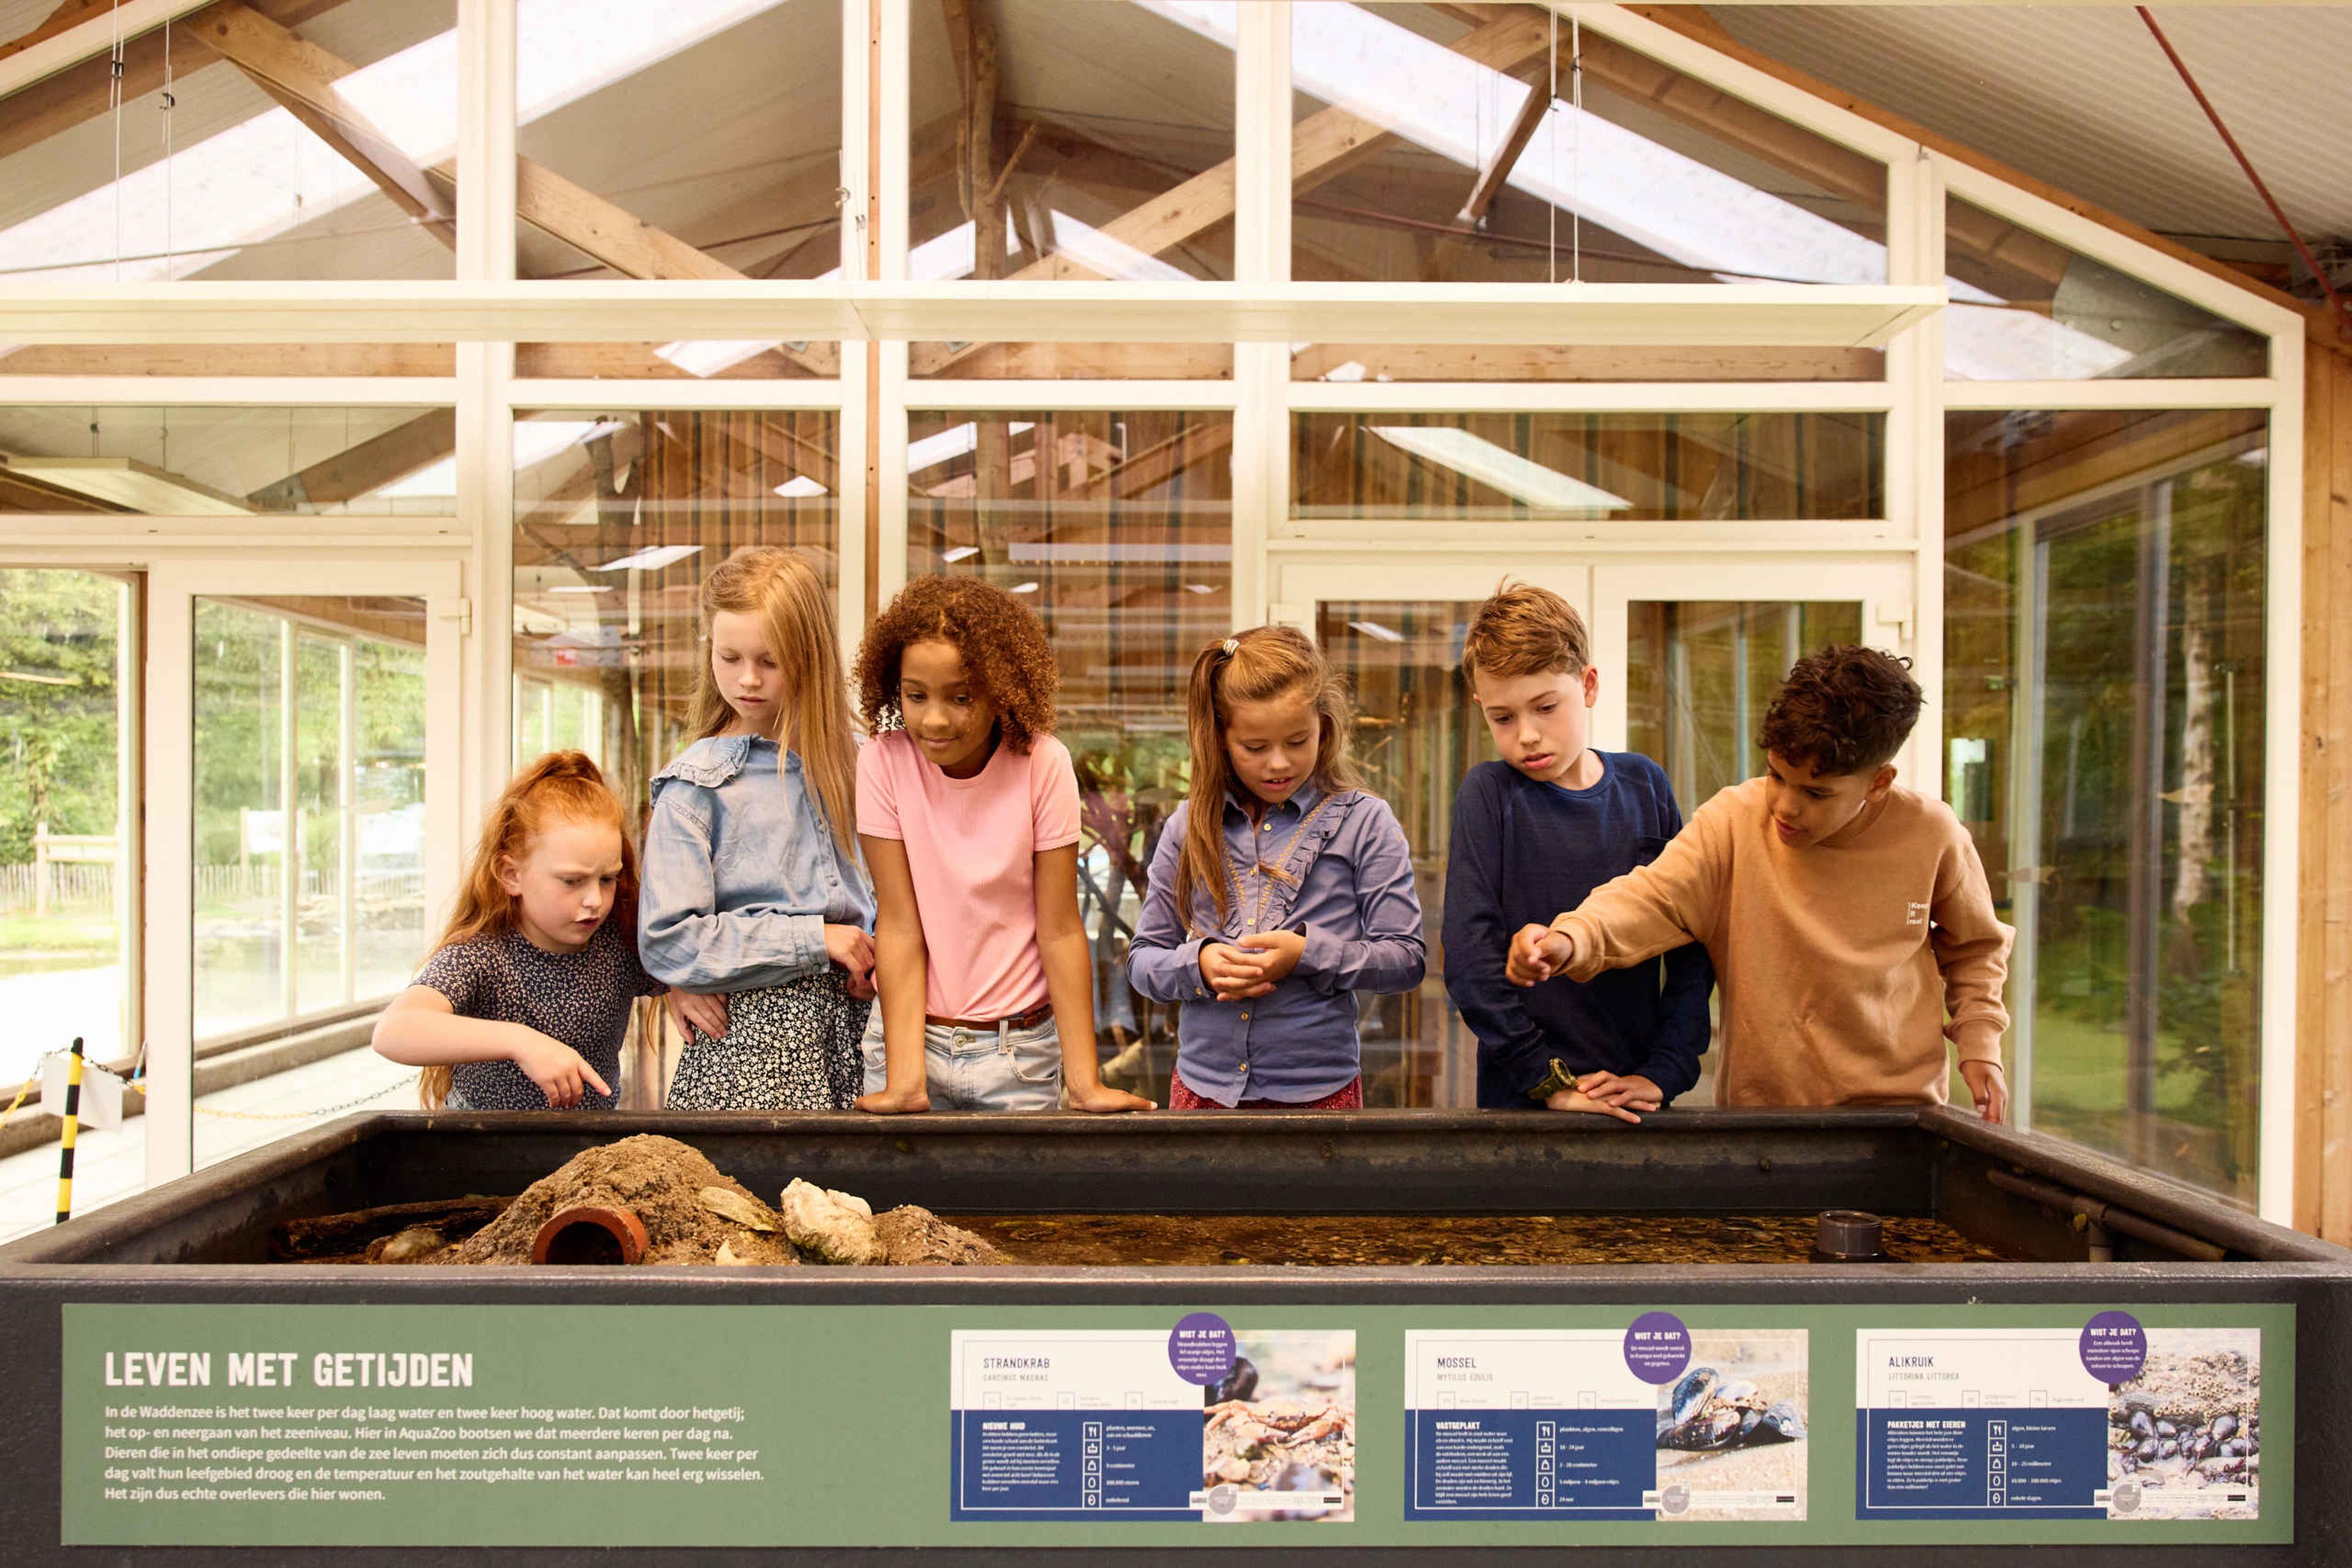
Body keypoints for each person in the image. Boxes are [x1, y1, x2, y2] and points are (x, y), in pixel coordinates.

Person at [1507, 645, 2014, 1120]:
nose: (1785, 807)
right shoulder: (1733, 821)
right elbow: (1651, 897)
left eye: (1816, 793)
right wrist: (1571, 938)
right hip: (1763, 1119)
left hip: (1898, 1117)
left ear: (1878, 782)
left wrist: (1980, 1044)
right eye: (1776, 776)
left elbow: (1974, 949)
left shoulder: (1933, 834)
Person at [850, 575, 1153, 1114]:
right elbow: (898, 923)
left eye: (961, 697)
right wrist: (905, 1081)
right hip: (906, 1041)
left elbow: (1059, 929)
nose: (935, 719)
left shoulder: (1042, 763)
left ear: (1002, 690)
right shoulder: (882, 762)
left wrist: (1085, 1084)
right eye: (915, 696)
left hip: (1020, 1053)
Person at [1442, 583, 1713, 1121]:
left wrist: (1665, 1072)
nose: (1527, 736)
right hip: (1522, 1098)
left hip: (1634, 1093)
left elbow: (1691, 941)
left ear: (1588, 685)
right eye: (1502, 718)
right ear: (1481, 708)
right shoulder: (1489, 794)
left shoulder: (1646, 785)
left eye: (1546, 708)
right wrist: (1547, 1081)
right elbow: (1471, 961)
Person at [1126, 626, 1426, 1109]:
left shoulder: (1366, 822)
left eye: (1297, 740)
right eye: (1255, 747)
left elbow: (1407, 959)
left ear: (1324, 726)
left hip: (1319, 1095)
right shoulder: (1187, 826)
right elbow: (1143, 962)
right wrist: (1198, 964)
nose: (1279, 763)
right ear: (1221, 738)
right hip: (1203, 1093)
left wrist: (1308, 954)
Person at [638, 546, 876, 1110]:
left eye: (771, 661)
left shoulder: (867, 766)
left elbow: (905, 892)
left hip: (868, 1035)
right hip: (747, 1048)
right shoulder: (695, 786)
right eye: (729, 658)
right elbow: (669, 939)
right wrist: (814, 938)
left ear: (812, 656)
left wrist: (882, 952)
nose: (748, 680)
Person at [374, 751, 718, 1110]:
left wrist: (681, 981)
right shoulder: (480, 956)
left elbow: (678, 965)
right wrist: (522, 1042)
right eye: (571, 881)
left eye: (607, 879)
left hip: (587, 1155)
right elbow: (394, 1032)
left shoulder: (620, 946)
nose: (594, 901)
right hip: (481, 1155)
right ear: (511, 875)